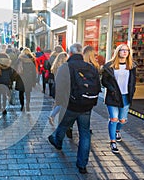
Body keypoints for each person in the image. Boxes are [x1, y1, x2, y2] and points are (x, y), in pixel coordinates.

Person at [48, 43, 101, 174]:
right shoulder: (90, 67)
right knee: (85, 134)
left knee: (64, 125)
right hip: (86, 105)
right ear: (81, 54)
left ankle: (57, 141)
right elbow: (98, 86)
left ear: (70, 53)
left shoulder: (65, 67)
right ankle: (82, 165)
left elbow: (58, 88)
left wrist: (59, 103)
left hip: (71, 104)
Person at [101, 44, 136, 154]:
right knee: (114, 119)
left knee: (122, 120)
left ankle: (117, 130)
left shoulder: (131, 66)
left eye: (127, 50)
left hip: (125, 96)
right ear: (118, 52)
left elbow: (132, 82)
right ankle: (113, 142)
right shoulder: (109, 66)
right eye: (122, 50)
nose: (125, 52)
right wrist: (111, 89)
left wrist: (132, 92)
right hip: (113, 97)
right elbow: (104, 81)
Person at [48, 52, 68, 125]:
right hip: (61, 87)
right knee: (62, 103)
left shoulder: (55, 66)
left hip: (55, 86)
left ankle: (52, 116)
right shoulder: (63, 67)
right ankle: (52, 116)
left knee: (58, 102)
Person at [15, 48, 37, 112]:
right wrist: (34, 80)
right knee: (28, 93)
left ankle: (22, 105)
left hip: (21, 78)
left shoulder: (20, 59)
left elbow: (15, 68)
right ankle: (28, 105)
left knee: (21, 92)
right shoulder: (32, 59)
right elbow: (34, 71)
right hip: (29, 78)